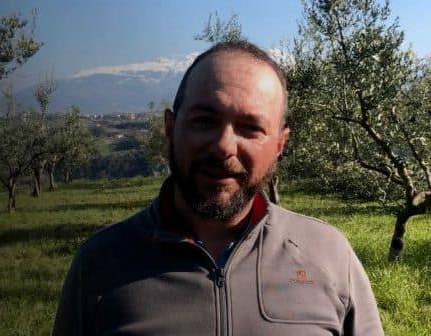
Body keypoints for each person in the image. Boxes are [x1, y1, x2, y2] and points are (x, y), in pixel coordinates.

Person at [52, 41, 384, 335]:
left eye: (250, 128)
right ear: (170, 127)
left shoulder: (328, 254)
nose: (224, 146)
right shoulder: (99, 263)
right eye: (204, 121)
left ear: (280, 145)